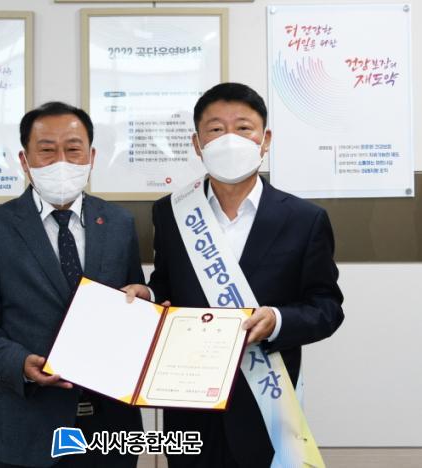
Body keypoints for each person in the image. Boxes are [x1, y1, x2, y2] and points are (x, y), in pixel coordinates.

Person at [124, 82, 344, 467]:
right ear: (197, 144)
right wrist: (150, 296)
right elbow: (167, 284)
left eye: (243, 128)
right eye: (215, 129)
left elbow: (326, 307)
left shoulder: (304, 219)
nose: (230, 139)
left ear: (265, 140)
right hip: (189, 401)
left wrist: (278, 320)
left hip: (265, 403)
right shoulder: (171, 212)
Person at [0, 101, 144, 468]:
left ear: (91, 156)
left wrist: (146, 296)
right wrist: (19, 363)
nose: (61, 162)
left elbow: (134, 295)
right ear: (24, 160)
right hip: (30, 425)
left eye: (73, 149)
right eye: (46, 150)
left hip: (112, 425)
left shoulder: (119, 222)